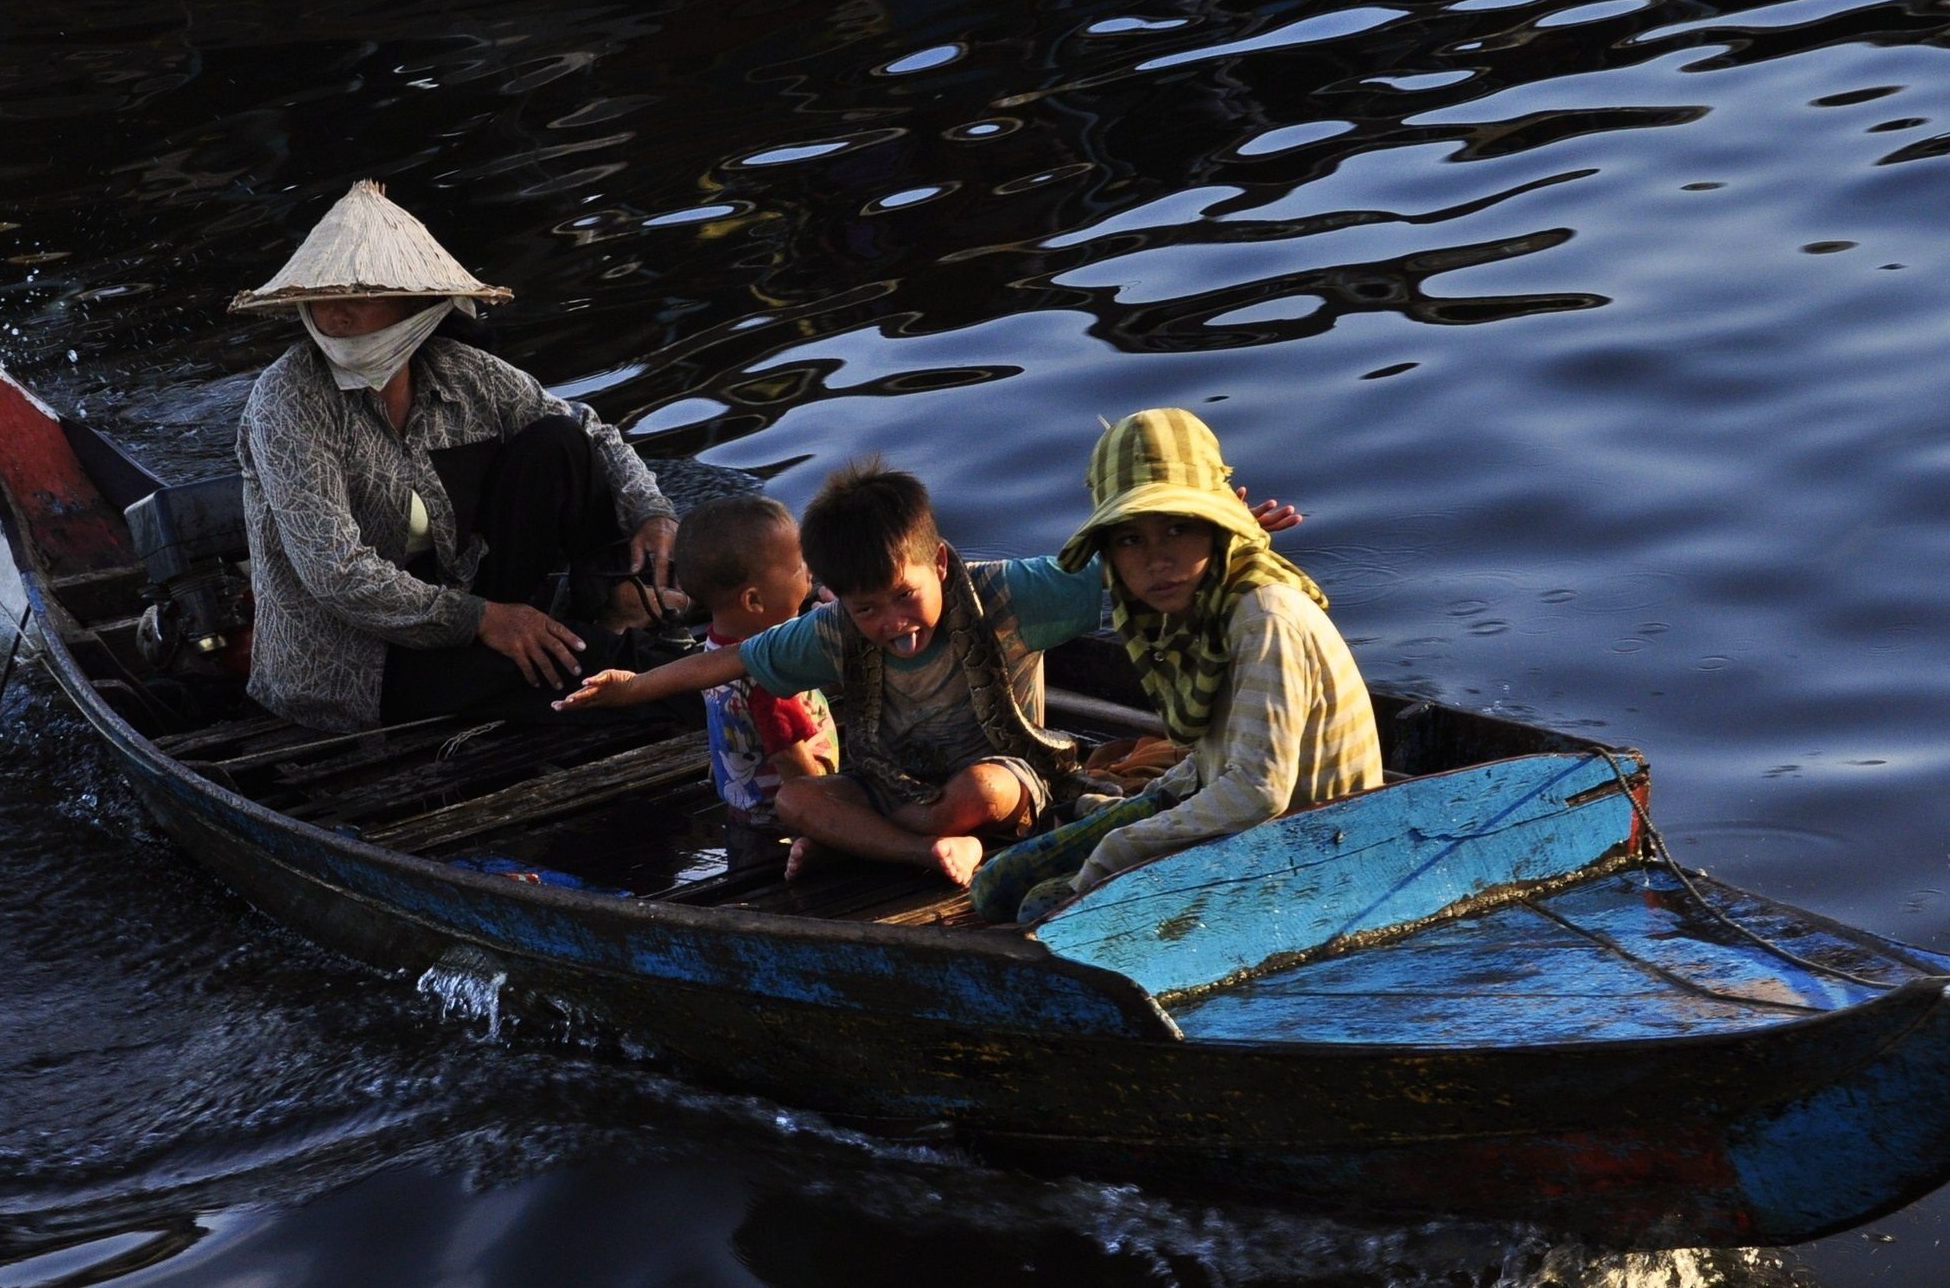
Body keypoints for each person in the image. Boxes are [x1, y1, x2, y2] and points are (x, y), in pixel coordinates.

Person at [557, 456, 1305, 886]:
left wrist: (1226, 528)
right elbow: (729, 661)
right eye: (866, 609)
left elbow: (1121, 568)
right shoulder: (830, 631)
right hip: (895, 790)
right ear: (836, 597)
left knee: (980, 787)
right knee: (796, 804)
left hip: (1008, 781)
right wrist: (630, 690)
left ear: (938, 563)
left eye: (903, 597)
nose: (891, 624)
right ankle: (921, 852)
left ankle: (888, 836)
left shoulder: (1013, 594)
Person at [232, 180, 682, 733]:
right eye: (322, 295)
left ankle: (614, 599)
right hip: (353, 663)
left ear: (416, 304)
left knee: (558, 441)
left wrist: (651, 512)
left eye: (359, 294)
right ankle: (711, 683)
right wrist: (484, 619)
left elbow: (590, 430)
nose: (335, 313)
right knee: (587, 671)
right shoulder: (289, 400)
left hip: (468, 604)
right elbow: (336, 573)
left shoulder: (460, 371)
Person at [971, 408, 1383, 924]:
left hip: (1314, 850)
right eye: (1130, 539)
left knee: (1043, 908)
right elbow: (1217, 757)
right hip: (1246, 821)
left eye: (1176, 529)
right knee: (995, 885)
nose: (1156, 560)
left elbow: (1258, 790)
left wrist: (1119, 848)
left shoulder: (1264, 616)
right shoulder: (1189, 612)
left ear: (1215, 528)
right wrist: (1147, 803)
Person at [669, 494, 838, 826]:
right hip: (786, 819)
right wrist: (828, 811)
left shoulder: (715, 649)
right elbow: (792, 761)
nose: (810, 572)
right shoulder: (769, 673)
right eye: (798, 566)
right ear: (754, 600)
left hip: (746, 805)